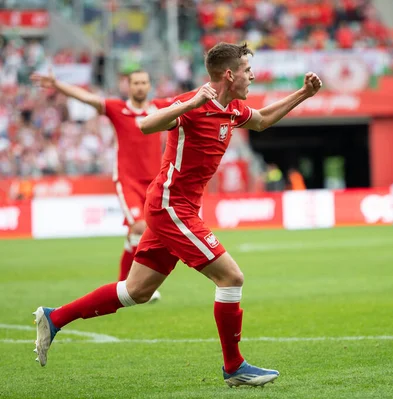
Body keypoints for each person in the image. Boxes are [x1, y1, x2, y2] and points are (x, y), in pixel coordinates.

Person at [33, 42, 323, 387]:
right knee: (231, 277)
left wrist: (303, 94)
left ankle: (54, 318)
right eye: (247, 70)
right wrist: (191, 102)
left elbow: (261, 120)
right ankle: (234, 367)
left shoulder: (233, 109)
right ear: (229, 75)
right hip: (171, 207)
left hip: (174, 208)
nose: (253, 76)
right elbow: (146, 125)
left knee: (136, 291)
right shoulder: (194, 103)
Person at [30, 69, 173, 301]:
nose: (139, 86)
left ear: (149, 85)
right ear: (128, 85)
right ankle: (136, 286)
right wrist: (57, 84)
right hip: (128, 181)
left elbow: (190, 100)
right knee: (140, 228)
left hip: (154, 181)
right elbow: (86, 98)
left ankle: (124, 286)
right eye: (135, 82)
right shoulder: (117, 108)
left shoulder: (158, 108)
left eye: (143, 82)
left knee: (140, 236)